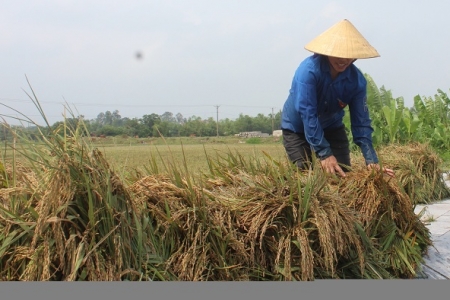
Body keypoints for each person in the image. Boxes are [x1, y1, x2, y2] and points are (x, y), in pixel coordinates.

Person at [280, 19, 394, 178]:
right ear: (327, 52)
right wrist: (325, 153)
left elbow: (361, 122)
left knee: (342, 175)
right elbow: (307, 114)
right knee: (304, 178)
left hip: (331, 127)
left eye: (349, 56)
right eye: (339, 54)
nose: (344, 60)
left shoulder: (357, 81)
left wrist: (371, 160)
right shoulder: (308, 71)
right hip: (297, 128)